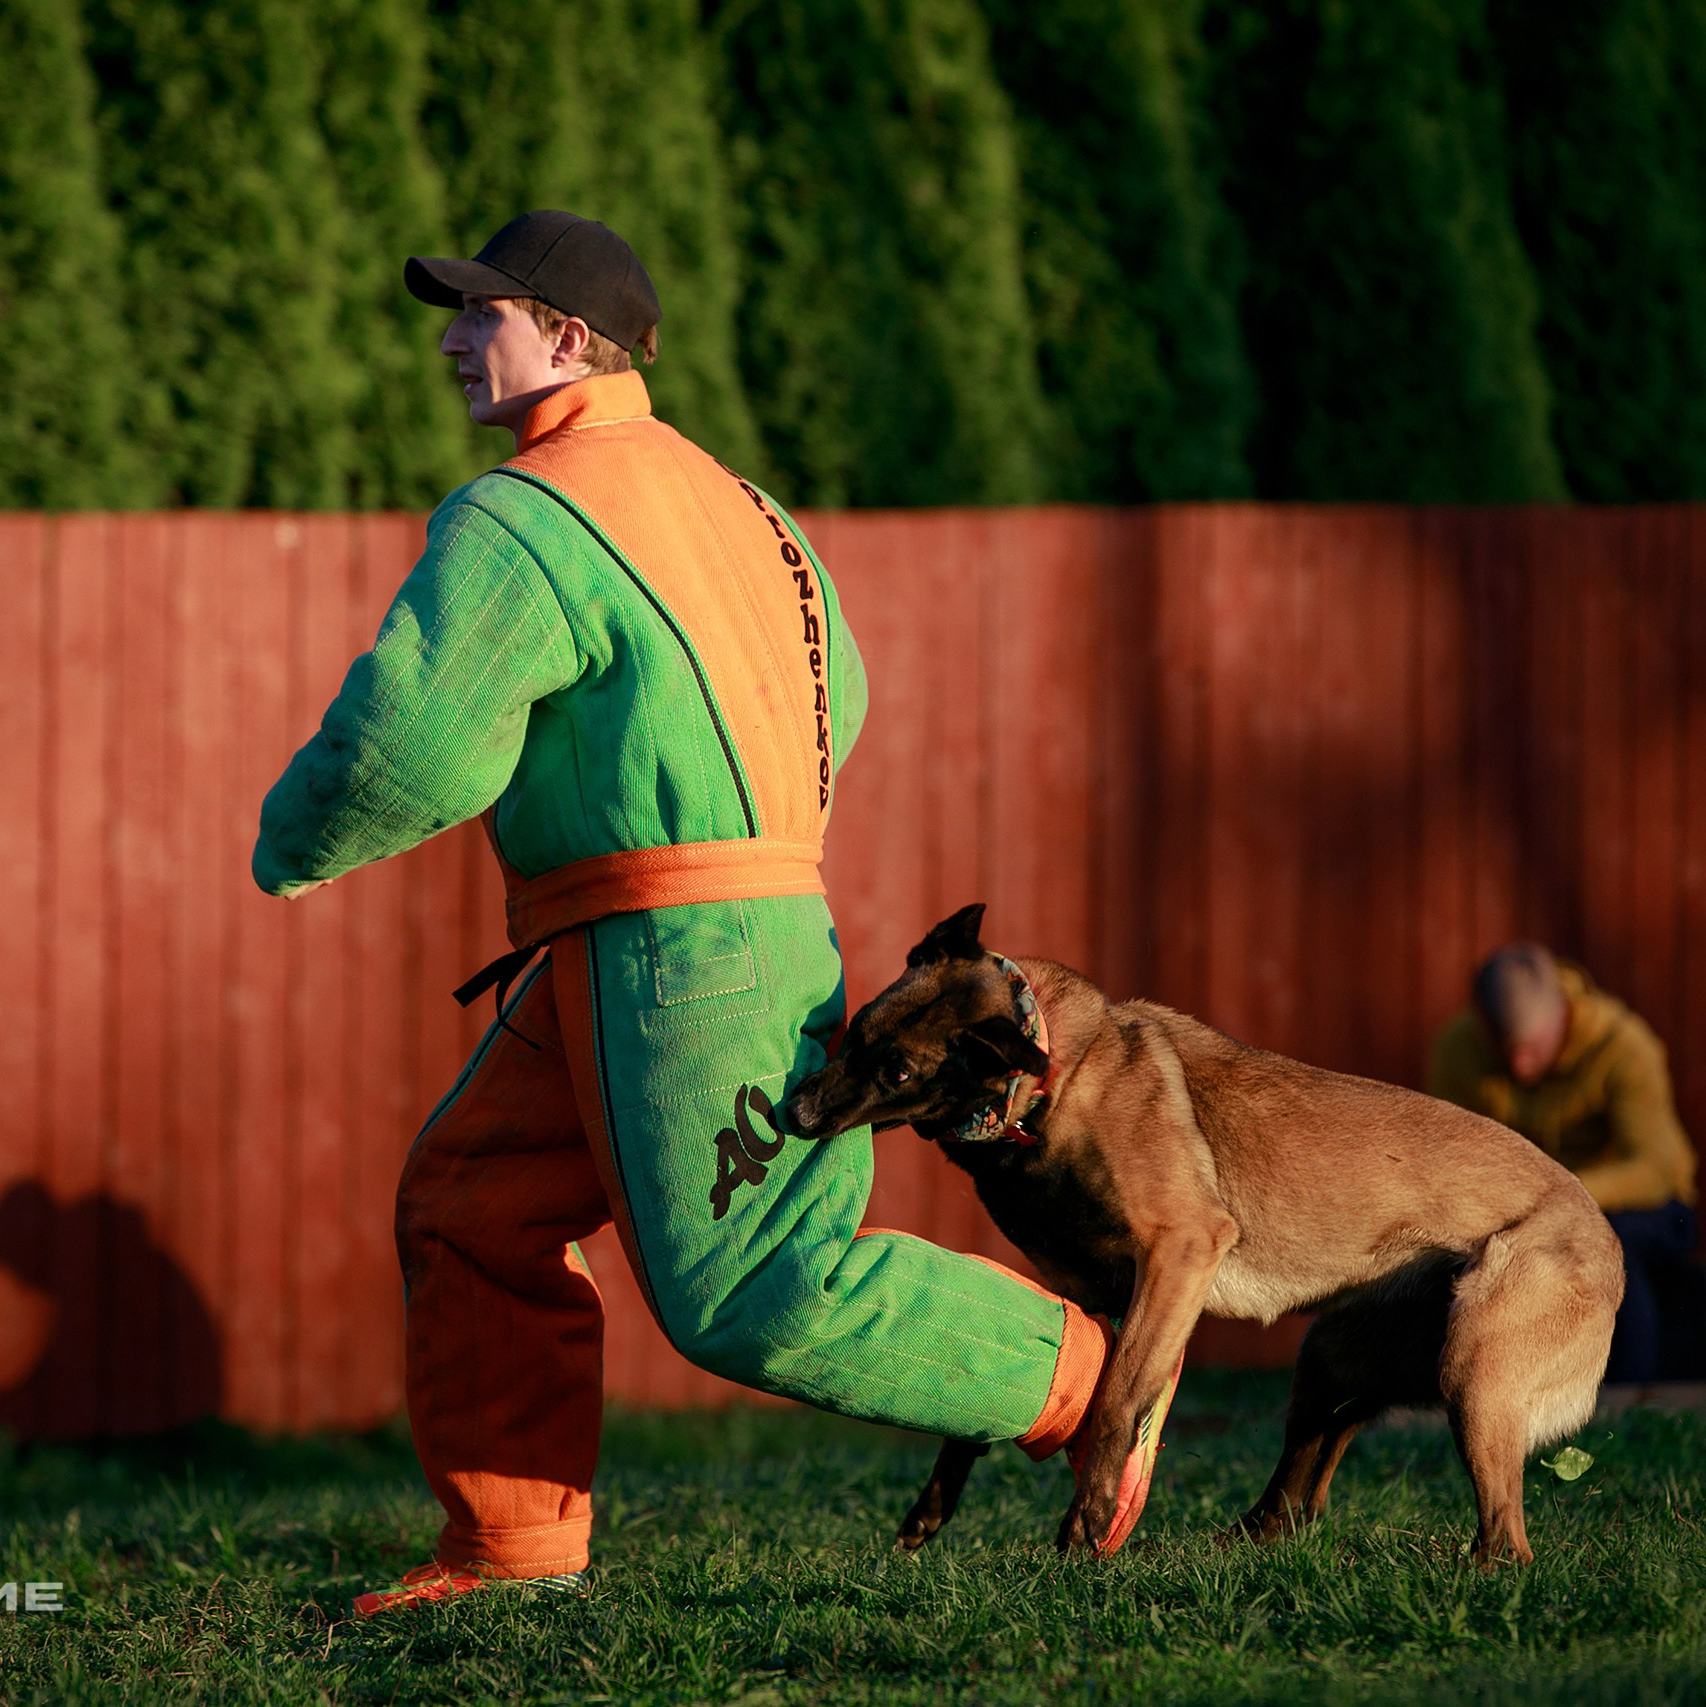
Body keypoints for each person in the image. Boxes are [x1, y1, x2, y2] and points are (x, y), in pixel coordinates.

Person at [252, 212, 1142, 1618]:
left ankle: (1092, 1383)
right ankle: (511, 1551)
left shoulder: (525, 513)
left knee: (761, 1289)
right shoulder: (749, 507)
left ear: (565, 336)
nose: (449, 338)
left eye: (478, 314)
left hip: (668, 955)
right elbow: (839, 688)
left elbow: (414, 747)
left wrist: (294, 845)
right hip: (720, 928)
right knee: (476, 1201)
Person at [1426, 943, 1701, 1385]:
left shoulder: (1623, 1046)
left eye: (1532, 1047)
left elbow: (1655, 1170)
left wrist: (1557, 1196)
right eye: (1504, 1047)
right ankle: (1459, 1390)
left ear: (1561, 1014)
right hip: (1520, 1211)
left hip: (1641, 1207)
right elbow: (1443, 1159)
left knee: (1607, 1247)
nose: (1518, 1064)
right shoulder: (1458, 1049)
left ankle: (1631, 1401)